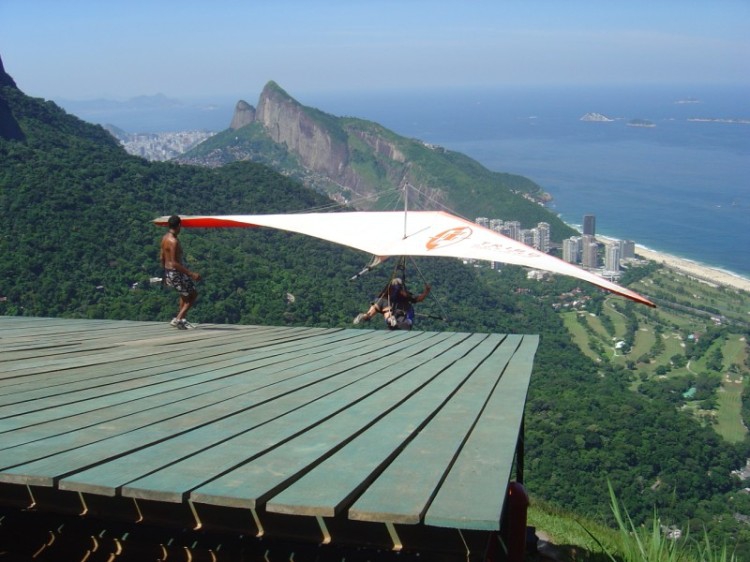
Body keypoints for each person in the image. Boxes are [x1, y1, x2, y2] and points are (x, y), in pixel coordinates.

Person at [160, 215, 201, 329]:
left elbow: (162, 257)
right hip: (176, 272)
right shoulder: (174, 241)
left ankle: (181, 319)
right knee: (192, 295)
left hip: (169, 272)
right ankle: (178, 319)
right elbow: (174, 262)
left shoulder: (164, 238)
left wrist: (164, 274)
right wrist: (191, 274)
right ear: (179, 225)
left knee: (184, 294)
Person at [353, 277, 431, 330]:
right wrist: (426, 291)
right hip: (402, 321)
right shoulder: (404, 294)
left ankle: (366, 315)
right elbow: (419, 298)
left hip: (395, 317)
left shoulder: (385, 296)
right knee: (384, 304)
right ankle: (389, 319)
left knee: (381, 302)